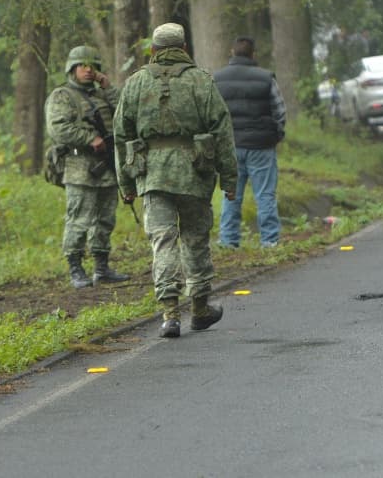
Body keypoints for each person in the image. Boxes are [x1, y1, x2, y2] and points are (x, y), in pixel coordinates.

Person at [114, 23, 238, 339]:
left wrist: (125, 184)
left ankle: (170, 314)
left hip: (152, 174)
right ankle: (199, 308)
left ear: (153, 50)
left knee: (163, 240)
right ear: (184, 49)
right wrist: (229, 178)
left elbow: (121, 134)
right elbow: (221, 130)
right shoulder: (200, 81)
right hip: (195, 172)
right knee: (195, 237)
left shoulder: (135, 83)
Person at [45, 45, 130, 289]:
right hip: (79, 166)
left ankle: (101, 267)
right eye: (82, 65)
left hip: (106, 167)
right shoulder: (63, 96)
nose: (87, 70)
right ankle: (76, 268)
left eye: (92, 66)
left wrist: (108, 86)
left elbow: (125, 110)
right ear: (71, 69)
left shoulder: (101, 94)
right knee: (79, 219)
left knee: (105, 218)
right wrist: (88, 138)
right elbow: (58, 128)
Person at [213, 37, 286, 249]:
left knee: (231, 195)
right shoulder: (266, 78)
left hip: (230, 146)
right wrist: (276, 135)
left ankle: (228, 241)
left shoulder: (216, 79)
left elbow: (213, 114)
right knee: (265, 195)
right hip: (261, 146)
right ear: (253, 54)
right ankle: (270, 241)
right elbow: (280, 111)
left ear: (232, 53)